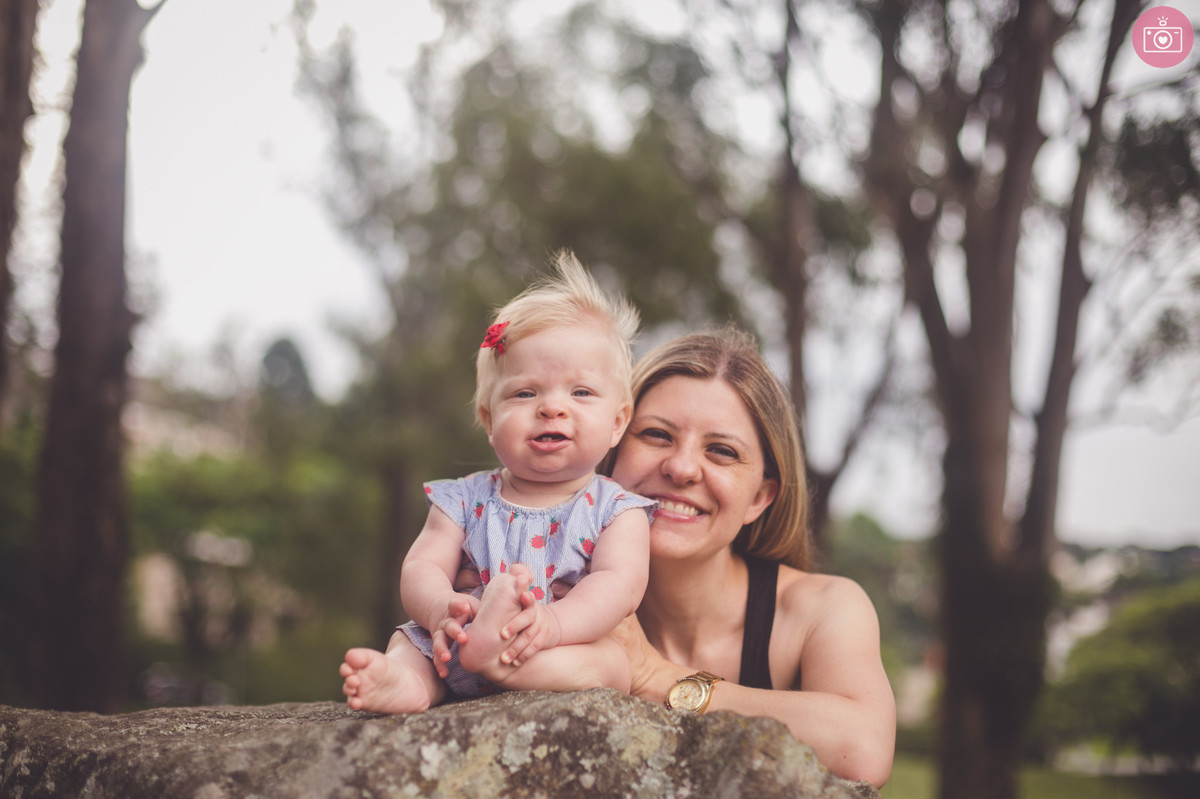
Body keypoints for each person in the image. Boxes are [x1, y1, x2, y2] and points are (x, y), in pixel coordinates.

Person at [485, 327, 895, 787]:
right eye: (657, 435)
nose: (680, 468)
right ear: (611, 450)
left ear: (760, 497)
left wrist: (654, 675)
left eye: (721, 451)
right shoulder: (547, 588)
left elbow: (863, 749)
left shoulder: (821, 609)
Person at [339, 251, 655, 712]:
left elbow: (618, 585)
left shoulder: (617, 510)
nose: (552, 407)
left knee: (613, 666)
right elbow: (421, 567)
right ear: (488, 418)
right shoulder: (463, 498)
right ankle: (406, 683)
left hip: (549, 650)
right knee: (412, 644)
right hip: (458, 641)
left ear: (617, 420)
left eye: (581, 392)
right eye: (525, 393)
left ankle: (499, 663)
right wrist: (440, 609)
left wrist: (554, 624)